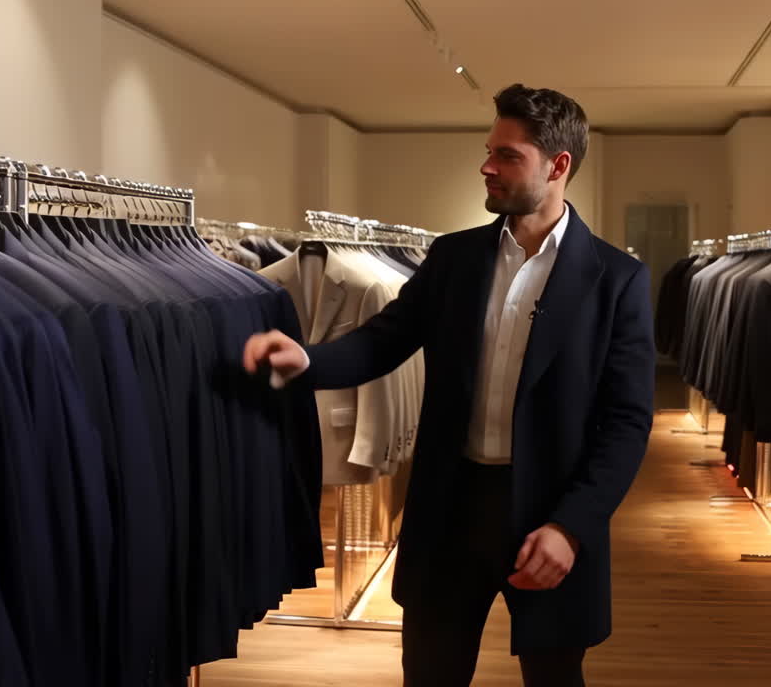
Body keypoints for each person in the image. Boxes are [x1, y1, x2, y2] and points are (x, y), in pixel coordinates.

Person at [242, 84, 655, 687]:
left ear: (558, 165)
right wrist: (307, 359)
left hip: (550, 512)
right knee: (431, 673)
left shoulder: (616, 279)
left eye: (507, 155)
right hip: (449, 506)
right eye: (489, 151)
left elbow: (626, 421)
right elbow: (383, 340)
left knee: (554, 674)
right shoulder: (454, 258)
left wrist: (573, 525)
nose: (487, 166)